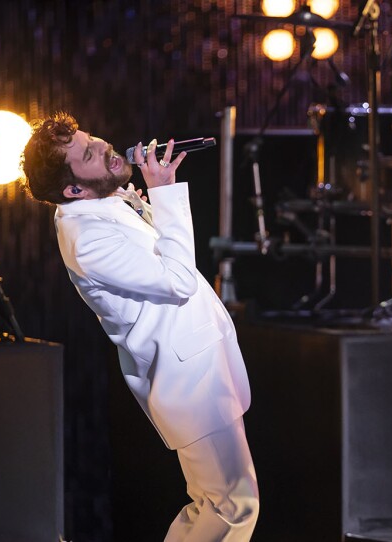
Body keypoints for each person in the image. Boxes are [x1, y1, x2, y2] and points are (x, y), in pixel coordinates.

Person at [21, 112, 259, 541]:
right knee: (232, 505)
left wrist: (143, 196)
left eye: (92, 137)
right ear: (72, 188)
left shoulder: (98, 203)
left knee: (211, 503)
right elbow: (179, 281)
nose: (105, 147)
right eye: (90, 154)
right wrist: (164, 195)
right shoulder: (85, 239)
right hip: (188, 379)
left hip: (204, 365)